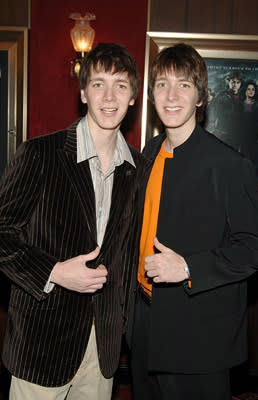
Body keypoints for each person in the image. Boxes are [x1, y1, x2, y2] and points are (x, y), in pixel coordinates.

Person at [0, 42, 148, 400]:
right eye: (98, 84)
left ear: (133, 98)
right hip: (41, 344)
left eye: (121, 85)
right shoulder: (40, 154)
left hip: (103, 347)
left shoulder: (139, 169)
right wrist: (54, 272)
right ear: (83, 93)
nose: (109, 96)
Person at [128, 43, 258, 400]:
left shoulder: (229, 165)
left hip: (197, 338)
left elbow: (256, 249)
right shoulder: (147, 154)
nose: (172, 95)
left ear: (200, 98)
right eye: (162, 84)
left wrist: (189, 267)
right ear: (151, 95)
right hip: (144, 325)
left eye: (184, 85)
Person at [211, 70, 244, 150]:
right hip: (223, 133)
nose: (235, 85)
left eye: (238, 82)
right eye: (233, 82)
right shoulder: (221, 96)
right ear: (228, 82)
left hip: (237, 134)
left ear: (240, 84)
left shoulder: (243, 97)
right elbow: (213, 112)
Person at [240, 80, 258, 162]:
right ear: (245, 90)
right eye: (249, 89)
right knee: (243, 156)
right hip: (243, 134)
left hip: (254, 134)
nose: (251, 91)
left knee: (253, 157)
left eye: (253, 89)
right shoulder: (240, 104)